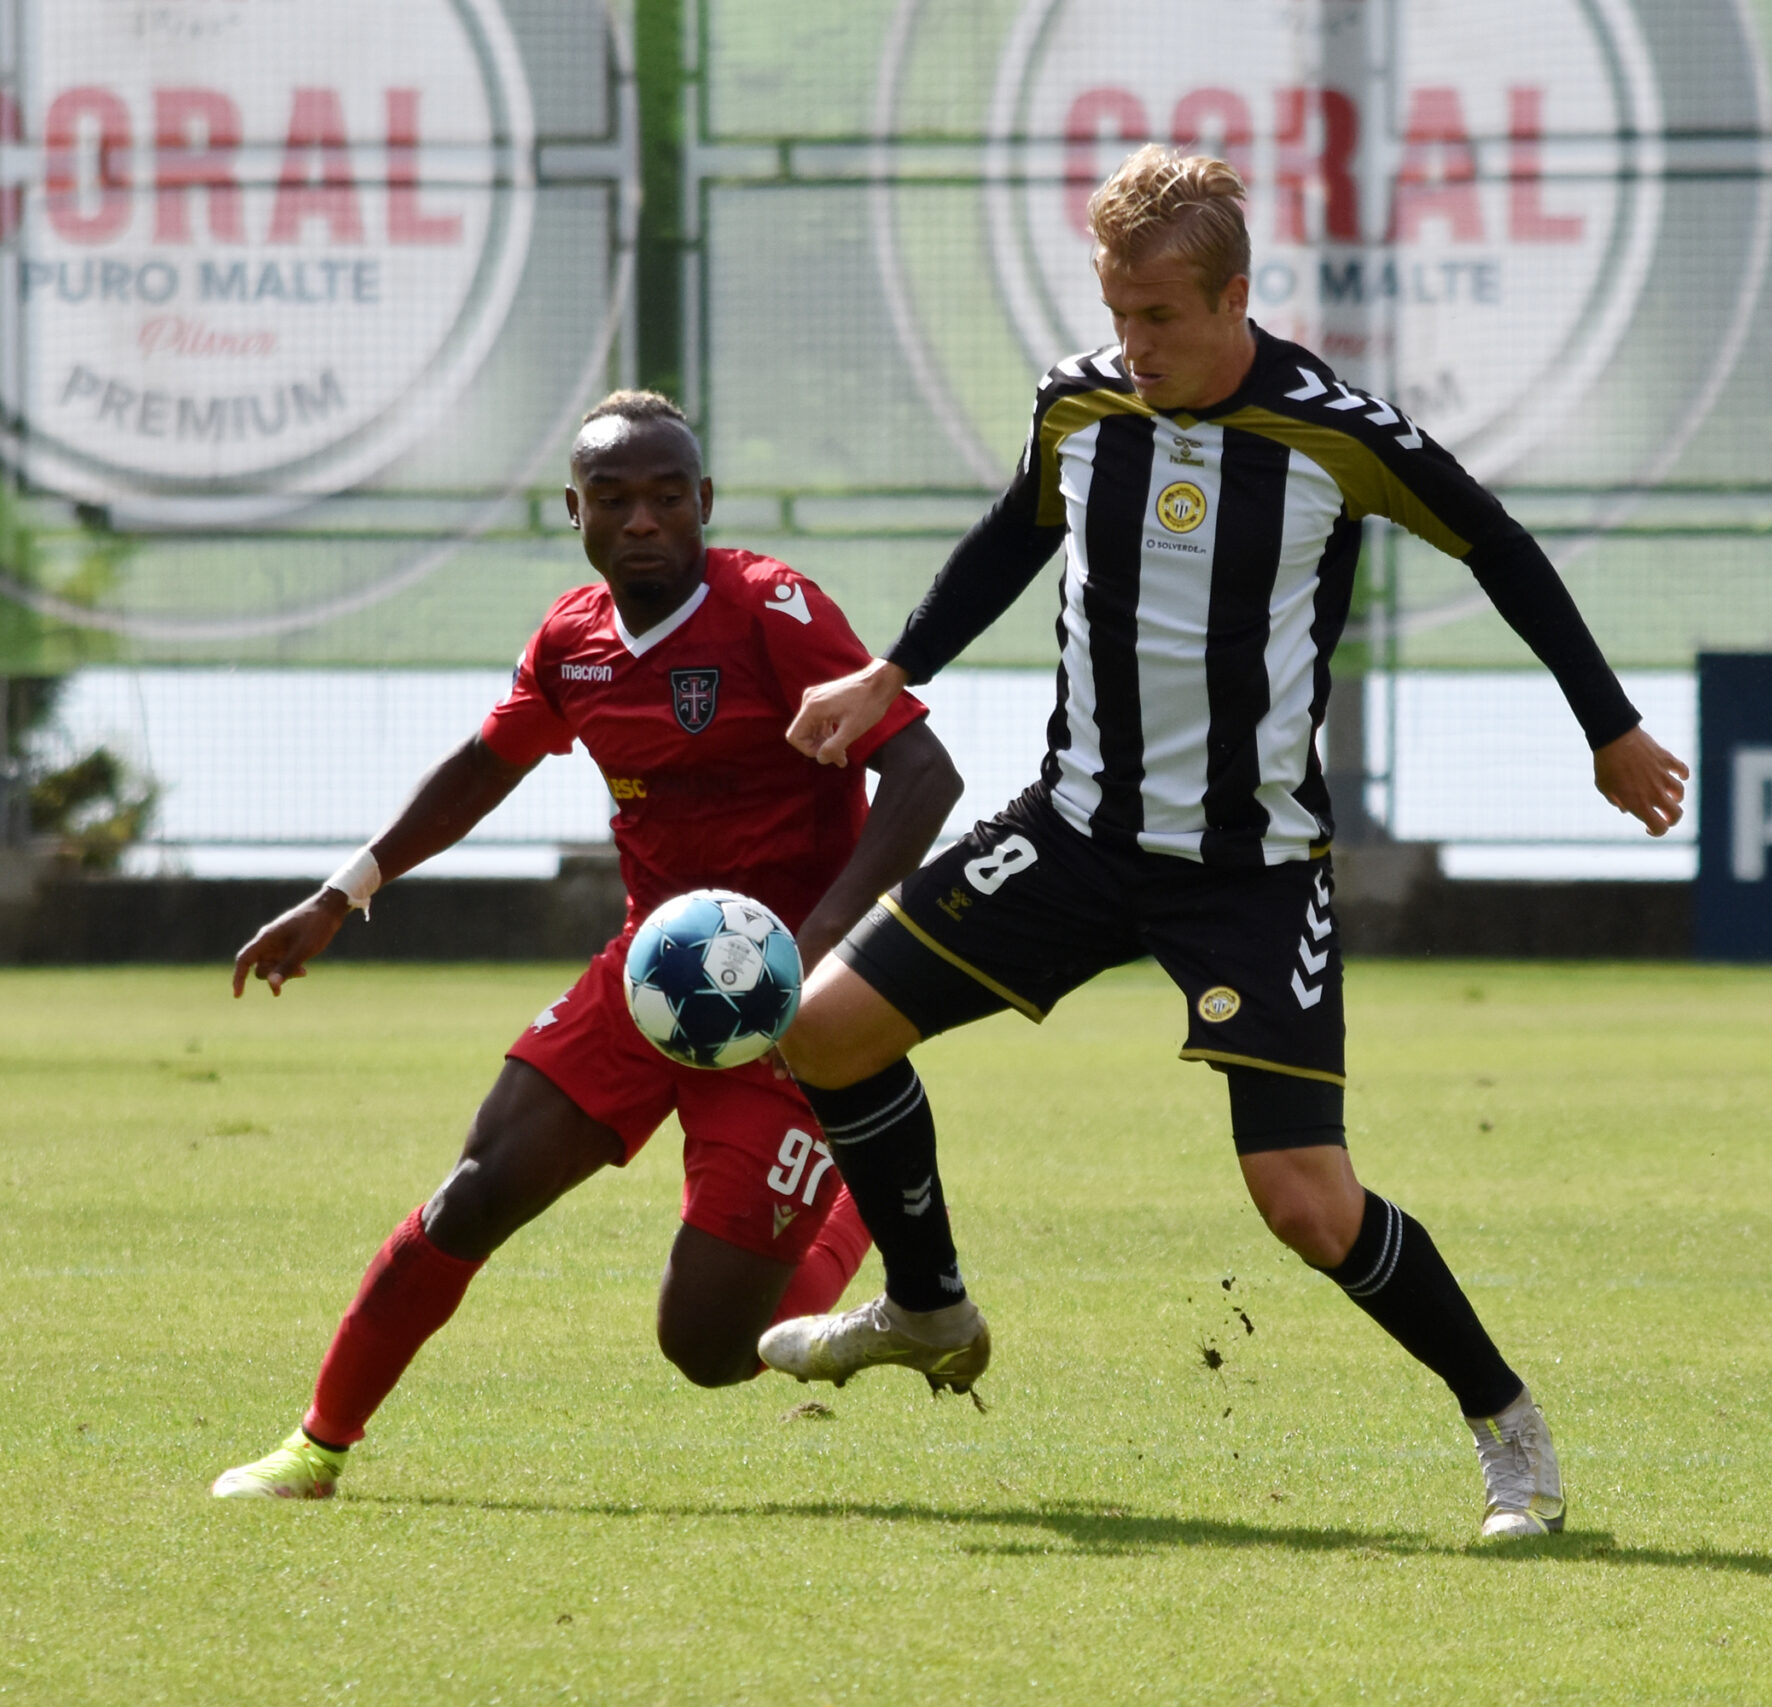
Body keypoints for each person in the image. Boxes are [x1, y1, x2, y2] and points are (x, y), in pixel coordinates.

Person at [749, 145, 1690, 1540]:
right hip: (1071, 833)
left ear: (1236, 297)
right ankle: (930, 1302)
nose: (1134, 347)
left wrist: (1607, 727)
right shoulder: (1081, 404)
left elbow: (1499, 546)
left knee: (1304, 1201)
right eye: (1119, 314)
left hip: (1248, 871)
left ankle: (1509, 1425)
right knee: (821, 1031)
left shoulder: (1336, 433)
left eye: (1163, 320)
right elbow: (1017, 533)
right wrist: (894, 672)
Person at [210, 391, 963, 1498]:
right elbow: (481, 768)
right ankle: (315, 1448)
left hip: (790, 1011)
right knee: (473, 1191)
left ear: (704, 502)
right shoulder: (574, 640)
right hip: (647, 976)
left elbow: (923, 775)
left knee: (708, 1351)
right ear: (575, 510)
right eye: (614, 497)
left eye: (668, 495)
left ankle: (853, 1202)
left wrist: (810, 948)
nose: (644, 518)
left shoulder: (773, 609)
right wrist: (342, 890)